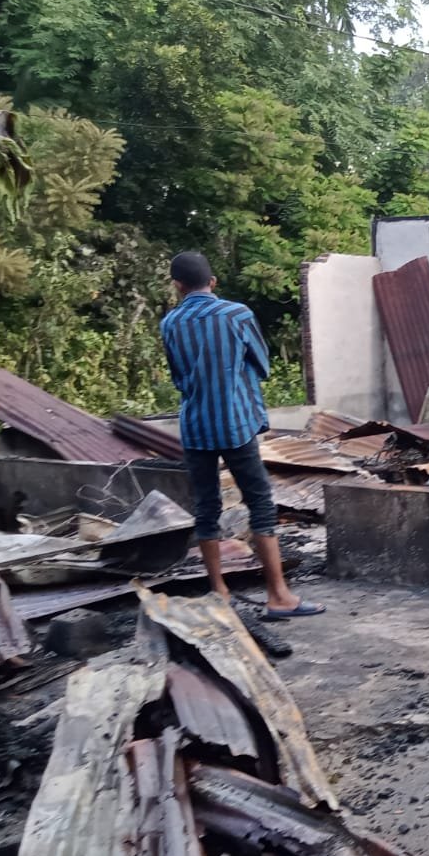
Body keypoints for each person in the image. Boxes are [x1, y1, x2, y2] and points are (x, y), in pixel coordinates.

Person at [160, 251, 323, 619]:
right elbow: (262, 365)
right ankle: (279, 596)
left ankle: (219, 593)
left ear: (178, 285)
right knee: (261, 505)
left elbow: (177, 377)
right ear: (212, 282)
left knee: (206, 508)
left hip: (195, 425)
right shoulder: (237, 314)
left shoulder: (170, 323)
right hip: (236, 424)